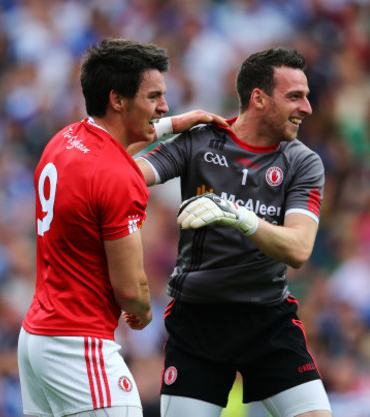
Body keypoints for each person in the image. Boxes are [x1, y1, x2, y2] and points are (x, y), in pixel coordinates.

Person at [17, 38, 226, 417]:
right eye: (154, 97)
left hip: (37, 339)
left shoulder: (65, 139)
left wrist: (177, 124)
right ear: (117, 99)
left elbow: (113, 148)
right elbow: (131, 289)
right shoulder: (118, 177)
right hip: (79, 347)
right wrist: (143, 311)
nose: (164, 106)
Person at [135, 47, 332, 417]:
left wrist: (239, 217)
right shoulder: (198, 142)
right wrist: (166, 127)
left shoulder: (302, 161)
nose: (307, 108)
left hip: (267, 320)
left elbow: (299, 249)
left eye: (306, 97)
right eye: (295, 97)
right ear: (258, 98)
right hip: (198, 322)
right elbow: (117, 175)